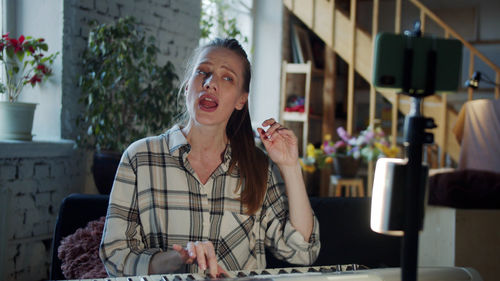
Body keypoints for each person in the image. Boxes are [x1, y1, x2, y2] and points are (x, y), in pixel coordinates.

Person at [99, 38, 320, 277]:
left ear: (241, 100)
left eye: (227, 78)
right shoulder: (139, 158)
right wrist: (177, 258)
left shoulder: (258, 166)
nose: (210, 83)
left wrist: (289, 166)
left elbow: (302, 252)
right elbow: (115, 257)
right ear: (186, 87)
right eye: (202, 72)